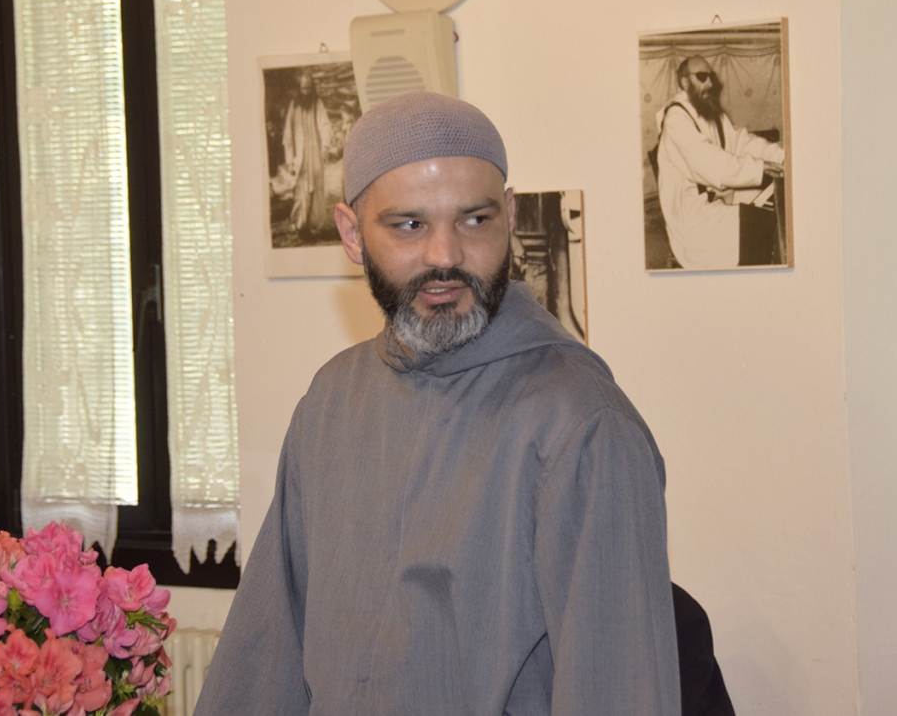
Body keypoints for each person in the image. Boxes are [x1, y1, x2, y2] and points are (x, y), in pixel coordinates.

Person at [195, 91, 680, 715]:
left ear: (509, 216)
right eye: (410, 225)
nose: (445, 256)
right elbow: (268, 649)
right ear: (351, 234)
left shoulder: (581, 425)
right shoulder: (331, 402)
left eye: (474, 220)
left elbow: (619, 690)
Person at [655, 56, 786, 270]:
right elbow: (709, 163)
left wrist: (781, 157)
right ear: (684, 82)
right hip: (693, 216)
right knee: (759, 222)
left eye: (711, 77)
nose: (709, 83)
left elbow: (743, 142)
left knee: (773, 199)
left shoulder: (708, 110)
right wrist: (758, 168)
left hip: (718, 196)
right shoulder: (676, 120)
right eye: (702, 77)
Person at [270, 71, 337, 235]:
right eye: (303, 89)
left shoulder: (317, 103)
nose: (306, 92)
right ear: (299, 89)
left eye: (308, 88)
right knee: (301, 189)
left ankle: (314, 225)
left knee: (316, 188)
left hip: (315, 154)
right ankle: (300, 223)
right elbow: (288, 132)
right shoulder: (294, 105)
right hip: (300, 155)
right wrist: (290, 158)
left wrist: (325, 146)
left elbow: (324, 125)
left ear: (312, 88)